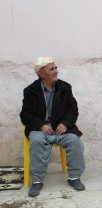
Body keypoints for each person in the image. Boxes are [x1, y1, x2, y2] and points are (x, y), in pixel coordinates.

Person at [20, 57, 85, 197]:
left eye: (55, 68)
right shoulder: (30, 91)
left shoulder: (65, 87)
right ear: (41, 74)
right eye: (52, 69)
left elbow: (73, 110)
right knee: (37, 141)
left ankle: (74, 177)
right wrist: (41, 125)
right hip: (40, 129)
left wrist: (65, 124)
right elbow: (25, 115)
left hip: (61, 128)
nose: (56, 71)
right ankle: (37, 181)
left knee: (75, 141)